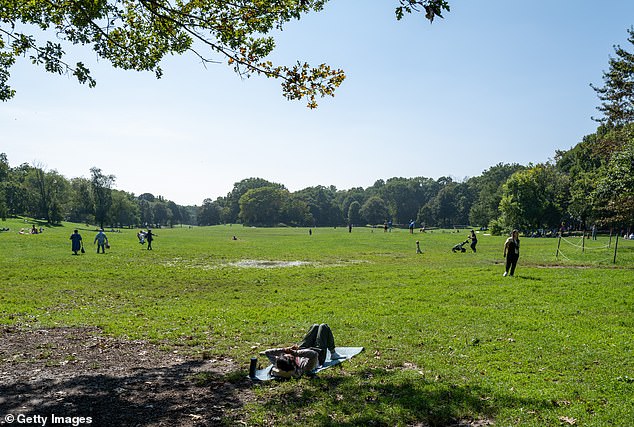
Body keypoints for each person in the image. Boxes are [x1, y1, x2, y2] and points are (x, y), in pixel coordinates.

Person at [263, 323, 342, 378]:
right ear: (293, 363)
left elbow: (268, 352)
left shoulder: (279, 363)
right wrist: (295, 352)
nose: (287, 354)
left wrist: (285, 350)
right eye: (289, 356)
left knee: (315, 326)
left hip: (302, 350)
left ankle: (314, 336)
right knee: (323, 327)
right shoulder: (303, 368)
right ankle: (333, 353)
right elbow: (313, 354)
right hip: (318, 354)